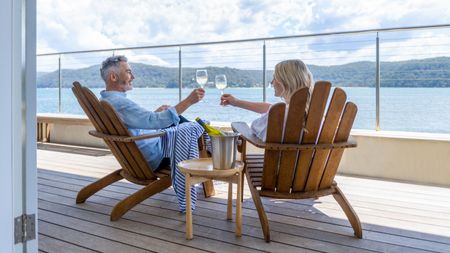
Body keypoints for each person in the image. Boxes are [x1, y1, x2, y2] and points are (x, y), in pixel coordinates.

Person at [99, 55, 204, 170]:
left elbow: (135, 126)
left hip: (138, 155)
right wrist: (189, 101)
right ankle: (215, 148)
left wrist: (156, 114)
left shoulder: (106, 100)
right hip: (154, 156)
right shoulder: (120, 103)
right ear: (113, 77)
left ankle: (212, 141)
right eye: (128, 72)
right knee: (195, 130)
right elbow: (155, 121)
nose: (133, 77)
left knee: (179, 121)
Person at [220, 59, 313, 141]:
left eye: (275, 78)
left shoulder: (280, 116)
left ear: (286, 82)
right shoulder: (314, 113)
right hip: (310, 160)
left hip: (277, 160)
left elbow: (255, 129)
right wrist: (236, 102)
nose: (272, 82)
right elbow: (271, 108)